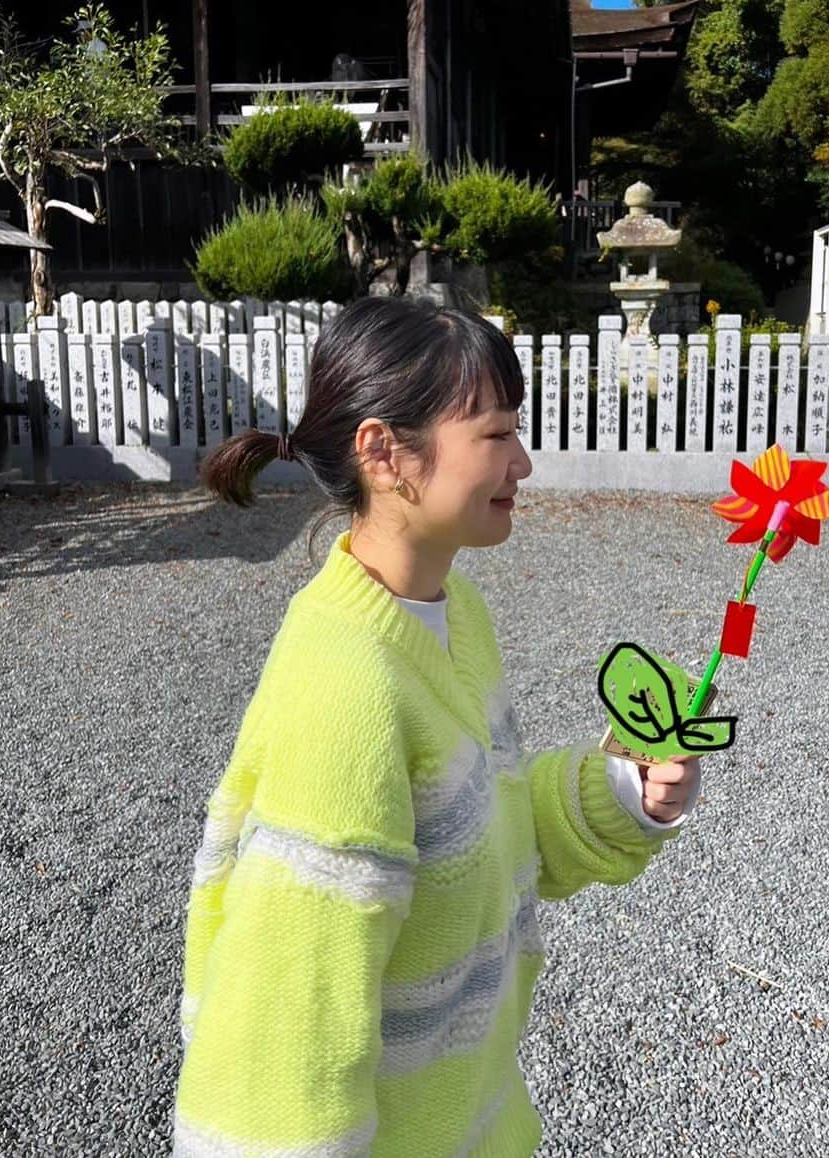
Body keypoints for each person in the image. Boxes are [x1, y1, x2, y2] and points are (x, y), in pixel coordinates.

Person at [172, 296, 702, 1157]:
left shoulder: (452, 613)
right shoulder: (345, 689)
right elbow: (285, 1030)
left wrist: (620, 789)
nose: (523, 463)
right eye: (495, 436)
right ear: (384, 453)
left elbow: (476, 835)